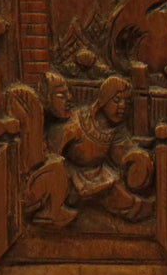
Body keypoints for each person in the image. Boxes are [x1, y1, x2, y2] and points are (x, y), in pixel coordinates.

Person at [26, 74, 154, 226]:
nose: (123, 106)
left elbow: (123, 153)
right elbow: (51, 157)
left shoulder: (114, 130)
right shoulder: (74, 125)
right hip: (70, 180)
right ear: (103, 100)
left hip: (98, 176)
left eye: (126, 102)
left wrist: (138, 160)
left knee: (129, 204)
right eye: (117, 100)